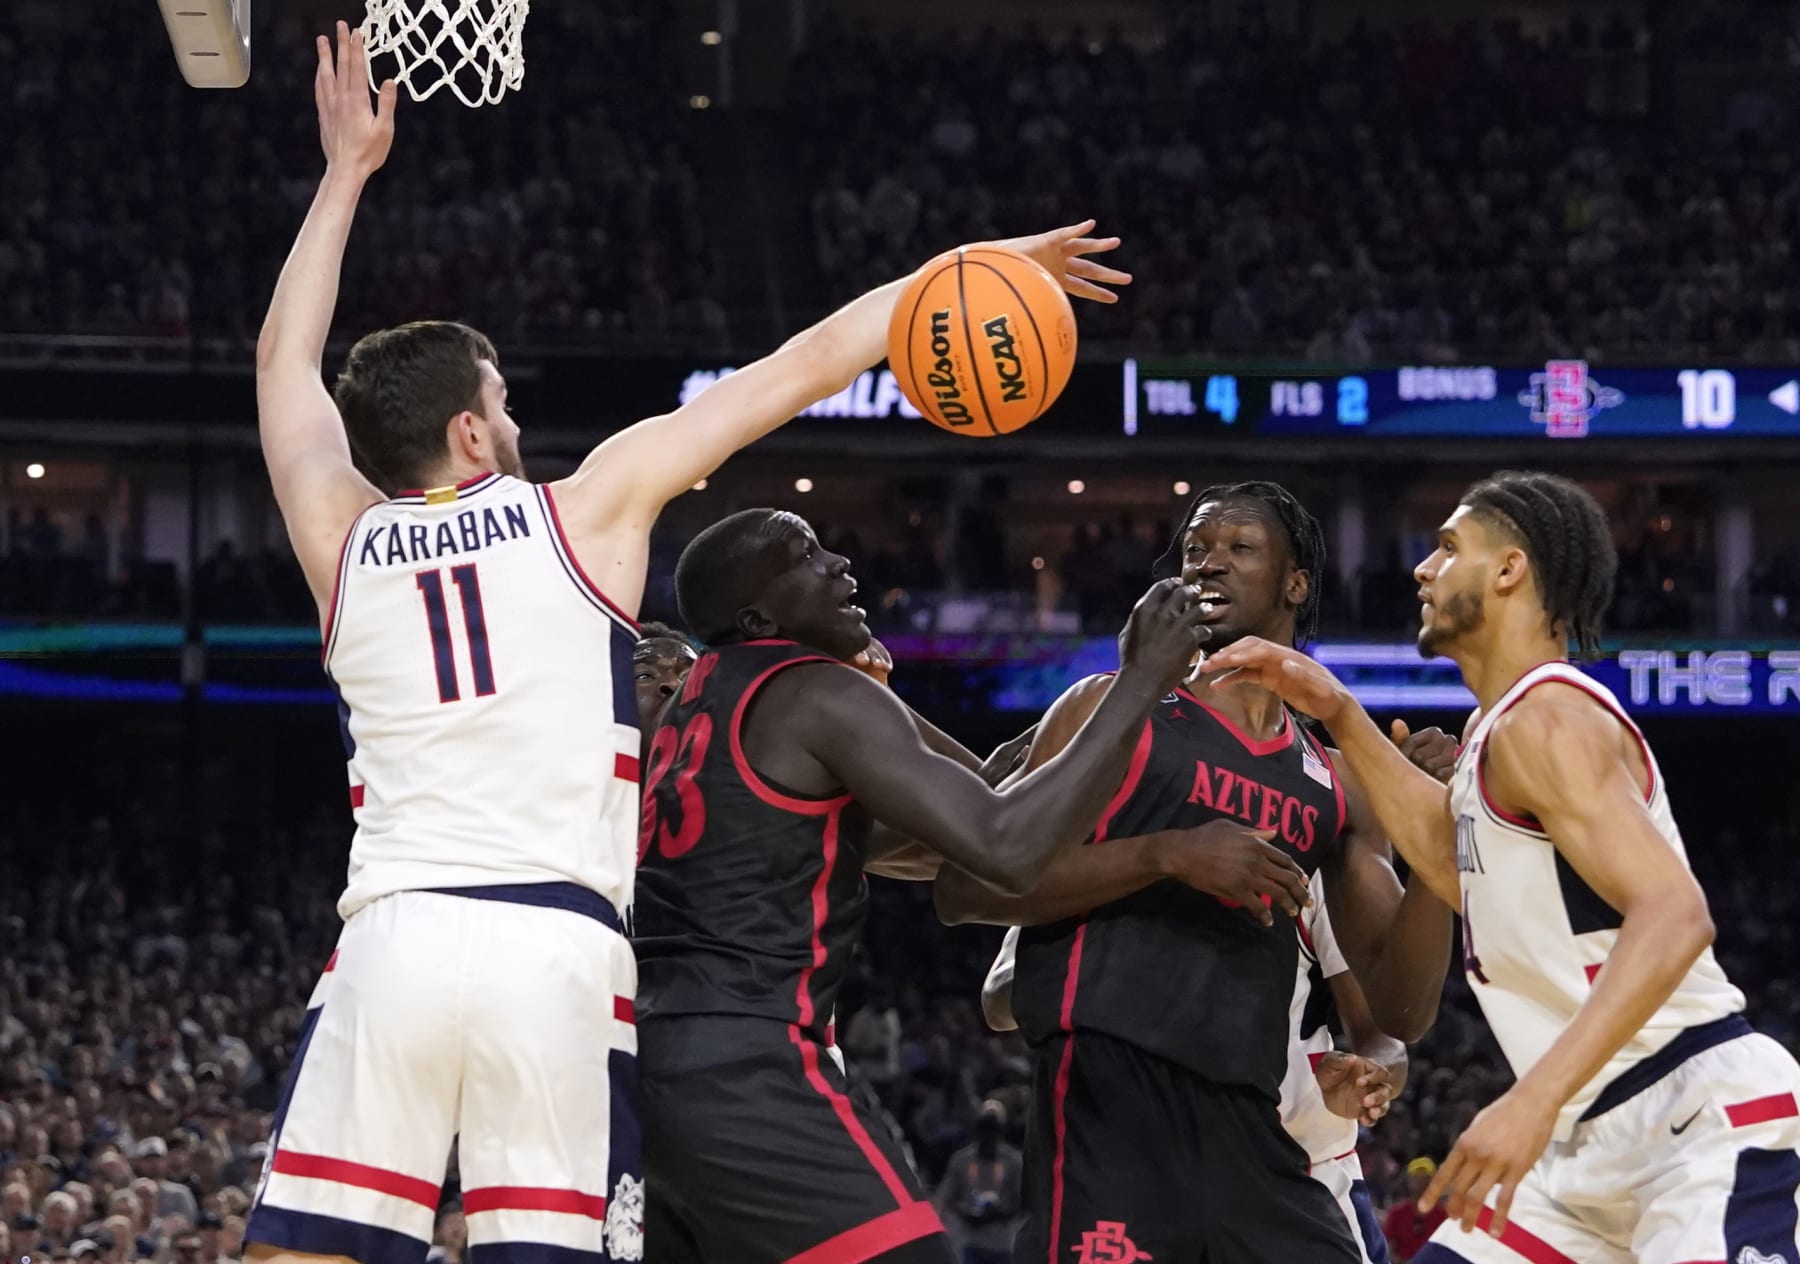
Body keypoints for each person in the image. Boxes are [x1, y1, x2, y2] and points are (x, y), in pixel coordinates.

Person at [244, 25, 1132, 1264]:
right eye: (503, 404)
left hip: (394, 929)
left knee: (302, 1251)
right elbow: (800, 364)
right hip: (558, 952)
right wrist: (953, 276)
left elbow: (282, 364)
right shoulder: (586, 511)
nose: (517, 421)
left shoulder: (336, 540)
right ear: (467, 432)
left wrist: (344, 174)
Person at [1200, 471, 1800, 1263]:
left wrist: (1531, 1100)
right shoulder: (1498, 727)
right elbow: (1458, 868)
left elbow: (1677, 914)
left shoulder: (1547, 718)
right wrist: (1339, 710)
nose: (1422, 568)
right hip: (1581, 1151)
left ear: (1510, 570)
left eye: (1448, 548)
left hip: (1695, 1122)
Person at [634, 508, 1211, 1262]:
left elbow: (971, 809)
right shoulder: (811, 692)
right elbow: (1007, 848)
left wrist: (886, 703)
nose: (840, 564)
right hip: (748, 1061)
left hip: (647, 1060)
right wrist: (1139, 680)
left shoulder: (705, 700)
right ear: (758, 615)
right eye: (806, 555)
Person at [934, 481, 1455, 1264]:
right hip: (1111, 1104)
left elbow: (1399, 1013)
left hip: (1256, 1128)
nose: (1209, 565)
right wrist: (1168, 854)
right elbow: (967, 886)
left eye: (1239, 549)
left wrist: (1435, 837)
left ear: (1295, 582)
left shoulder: (1336, 782)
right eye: (1195, 552)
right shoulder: (1110, 709)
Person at [934, 1101, 1025, 1264]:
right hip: (969, 1242)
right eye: (985, 1127)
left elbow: (1023, 1200)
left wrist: (1000, 1214)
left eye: (994, 1128)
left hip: (1002, 1243)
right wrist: (965, 1213)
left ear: (1002, 1130)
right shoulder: (962, 1160)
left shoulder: (1013, 1161)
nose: (989, 1134)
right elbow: (947, 1196)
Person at [1382, 1159, 1448, 1262]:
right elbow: (1388, 1249)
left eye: (1425, 1178)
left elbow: (1448, 1250)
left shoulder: (1443, 1215)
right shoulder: (1397, 1213)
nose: (1421, 1183)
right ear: (1409, 1181)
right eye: (1416, 1178)